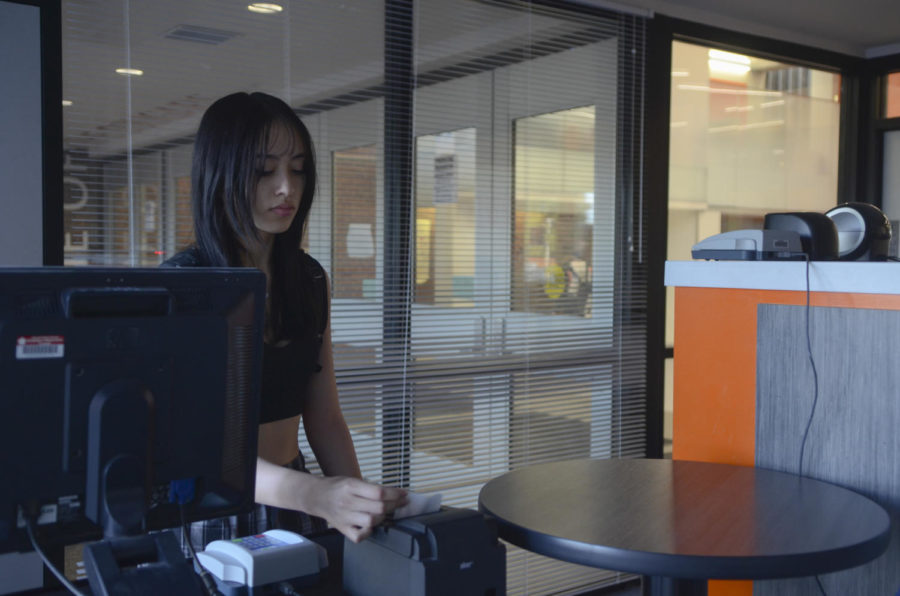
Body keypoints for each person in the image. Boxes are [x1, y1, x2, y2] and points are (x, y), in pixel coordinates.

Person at [162, 91, 406, 547]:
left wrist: (360, 507)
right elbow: (193, 448)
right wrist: (316, 494)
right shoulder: (184, 286)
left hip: (297, 499)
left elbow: (324, 415)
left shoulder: (310, 278)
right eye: (264, 170)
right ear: (221, 173)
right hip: (214, 506)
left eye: (297, 169)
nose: (286, 188)